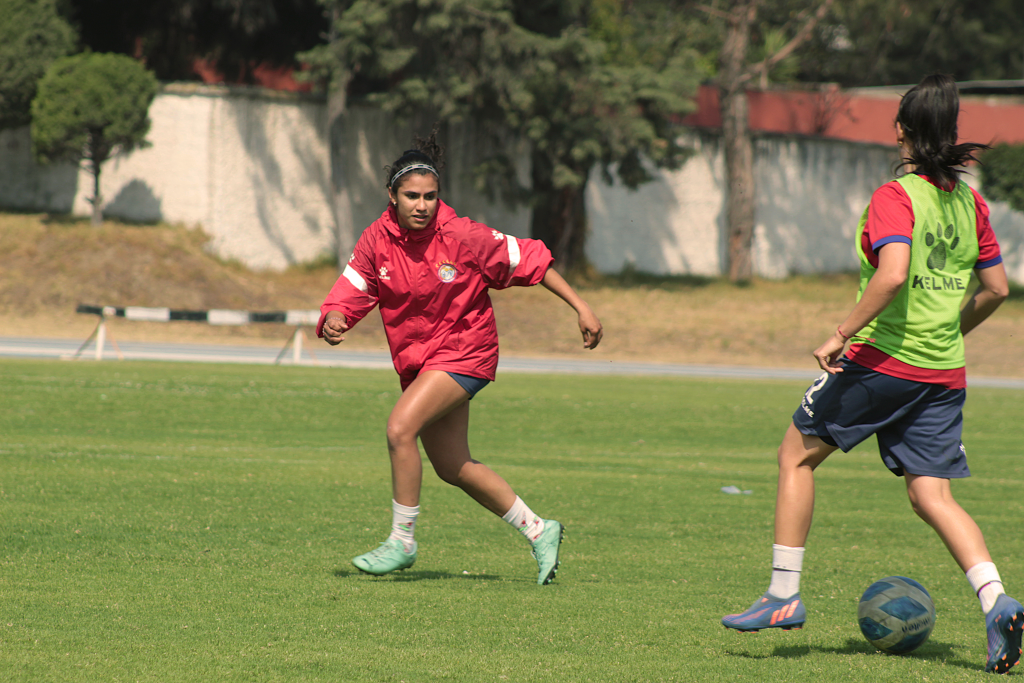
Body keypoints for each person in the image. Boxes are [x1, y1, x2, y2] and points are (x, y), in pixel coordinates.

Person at [721, 74, 1021, 674]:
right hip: (944, 373)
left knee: (795, 456)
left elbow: (891, 274)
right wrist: (948, 333)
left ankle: (783, 595)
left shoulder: (896, 195)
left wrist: (841, 332)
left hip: (884, 361)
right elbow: (996, 289)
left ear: (902, 131)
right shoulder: (971, 202)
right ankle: (998, 602)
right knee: (930, 494)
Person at [318, 133, 603, 585]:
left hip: (465, 350)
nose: (422, 205)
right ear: (391, 196)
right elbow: (355, 286)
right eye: (411, 196)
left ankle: (402, 541)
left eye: (430, 196)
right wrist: (336, 316)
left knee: (399, 429)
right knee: (453, 466)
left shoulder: (463, 235)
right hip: (419, 361)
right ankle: (539, 528)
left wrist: (581, 307)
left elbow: (528, 259)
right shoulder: (376, 239)